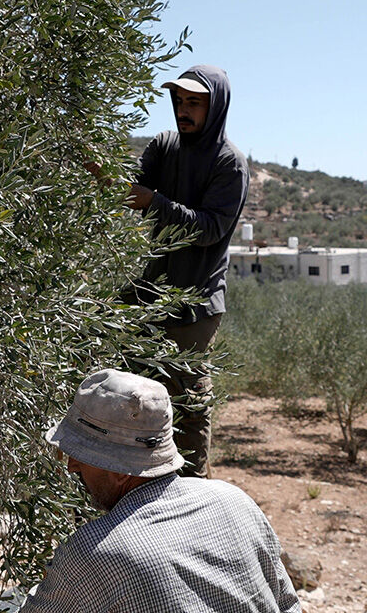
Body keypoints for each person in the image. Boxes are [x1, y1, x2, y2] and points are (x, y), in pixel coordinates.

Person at [20, 369, 300, 613]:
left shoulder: (95, 551)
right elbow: (288, 604)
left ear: (118, 469)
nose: (72, 466)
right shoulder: (234, 500)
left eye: (81, 456)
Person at [124, 64, 249, 477]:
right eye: (179, 100)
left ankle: (193, 489)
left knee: (188, 401)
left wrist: (155, 203)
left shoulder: (229, 163)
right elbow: (130, 189)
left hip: (194, 304)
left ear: (216, 106)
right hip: (145, 294)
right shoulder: (164, 145)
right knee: (135, 393)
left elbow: (211, 229)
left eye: (194, 101)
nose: (183, 109)